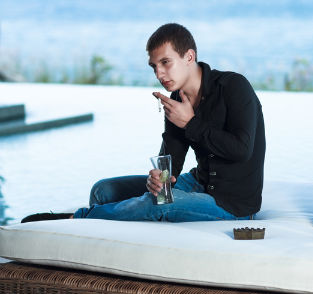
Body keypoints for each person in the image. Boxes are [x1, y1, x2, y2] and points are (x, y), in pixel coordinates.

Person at [22, 23, 265, 223]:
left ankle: (76, 220)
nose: (159, 74)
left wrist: (190, 123)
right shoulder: (176, 98)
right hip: (196, 183)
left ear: (189, 57)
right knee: (103, 191)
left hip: (233, 204)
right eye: (154, 66)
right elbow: (171, 163)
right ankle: (109, 227)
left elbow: (241, 150)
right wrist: (159, 179)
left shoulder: (234, 87)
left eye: (166, 63)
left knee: (157, 203)